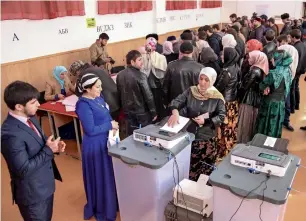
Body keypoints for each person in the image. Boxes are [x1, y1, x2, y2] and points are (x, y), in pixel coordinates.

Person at [1, 81, 64, 221]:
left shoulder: (30, 117)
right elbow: (23, 170)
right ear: (18, 106)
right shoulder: (9, 135)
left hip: (44, 186)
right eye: (34, 102)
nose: (38, 105)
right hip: (32, 195)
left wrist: (54, 145)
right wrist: (48, 150)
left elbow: (38, 140)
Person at [167, 67, 226, 181]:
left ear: (212, 81)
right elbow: (177, 101)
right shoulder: (191, 91)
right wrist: (175, 112)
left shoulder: (217, 97)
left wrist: (206, 121)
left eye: (206, 80)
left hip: (206, 138)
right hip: (190, 136)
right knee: (189, 167)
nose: (202, 83)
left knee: (205, 171)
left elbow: (221, 117)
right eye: (201, 79)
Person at [75, 74, 119, 221]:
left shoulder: (98, 98)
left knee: (108, 175)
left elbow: (105, 116)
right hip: (95, 145)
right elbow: (90, 129)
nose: (101, 89)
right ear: (87, 88)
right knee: (101, 176)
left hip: (106, 140)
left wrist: (112, 124)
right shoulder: (83, 105)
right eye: (98, 86)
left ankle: (111, 203)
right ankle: (102, 207)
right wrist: (109, 125)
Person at [117, 50, 157, 135]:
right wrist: (153, 112)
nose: (142, 62)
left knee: (132, 136)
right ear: (132, 62)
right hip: (141, 113)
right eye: (139, 60)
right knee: (145, 136)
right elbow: (148, 96)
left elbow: (119, 94)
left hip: (127, 112)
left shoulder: (119, 75)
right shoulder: (141, 76)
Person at [255, 50, 293, 138]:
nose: (272, 60)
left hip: (270, 104)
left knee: (266, 124)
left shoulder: (273, 74)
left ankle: (262, 142)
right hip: (281, 102)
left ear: (278, 60)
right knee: (276, 124)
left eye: (273, 59)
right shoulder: (288, 71)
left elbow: (261, 86)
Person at [237, 51, 268, 143]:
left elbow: (245, 86)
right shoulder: (261, 69)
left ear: (256, 58)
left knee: (245, 121)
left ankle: (242, 141)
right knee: (251, 121)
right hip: (255, 99)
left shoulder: (254, 70)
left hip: (248, 99)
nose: (248, 59)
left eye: (250, 57)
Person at [215, 47, 240, 158]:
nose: (221, 57)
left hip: (225, 102)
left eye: (223, 55)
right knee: (231, 125)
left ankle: (223, 150)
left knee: (224, 126)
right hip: (233, 101)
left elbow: (219, 87)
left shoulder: (226, 71)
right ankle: (230, 144)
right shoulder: (236, 67)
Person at [163, 42, 204, 106]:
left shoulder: (171, 66)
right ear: (192, 51)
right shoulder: (200, 67)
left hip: (175, 103)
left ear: (180, 51)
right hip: (193, 103)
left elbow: (165, 87)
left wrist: (166, 102)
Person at [277, 34, 299, 131]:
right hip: (290, 77)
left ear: (281, 41)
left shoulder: (280, 48)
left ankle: (277, 120)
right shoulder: (294, 50)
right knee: (287, 100)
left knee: (278, 100)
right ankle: (286, 120)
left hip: (279, 78)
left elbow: (276, 62)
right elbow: (295, 63)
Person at [142, 38, 168, 120]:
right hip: (146, 84)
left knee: (158, 101)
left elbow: (163, 69)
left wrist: (153, 61)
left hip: (157, 84)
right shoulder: (142, 57)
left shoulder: (161, 57)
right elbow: (142, 70)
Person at [290, 29, 306, 111]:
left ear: (293, 37)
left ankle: (292, 108)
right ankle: (297, 105)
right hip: (301, 70)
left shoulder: (295, 47)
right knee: (296, 87)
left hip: (296, 70)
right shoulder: (303, 45)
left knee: (292, 88)